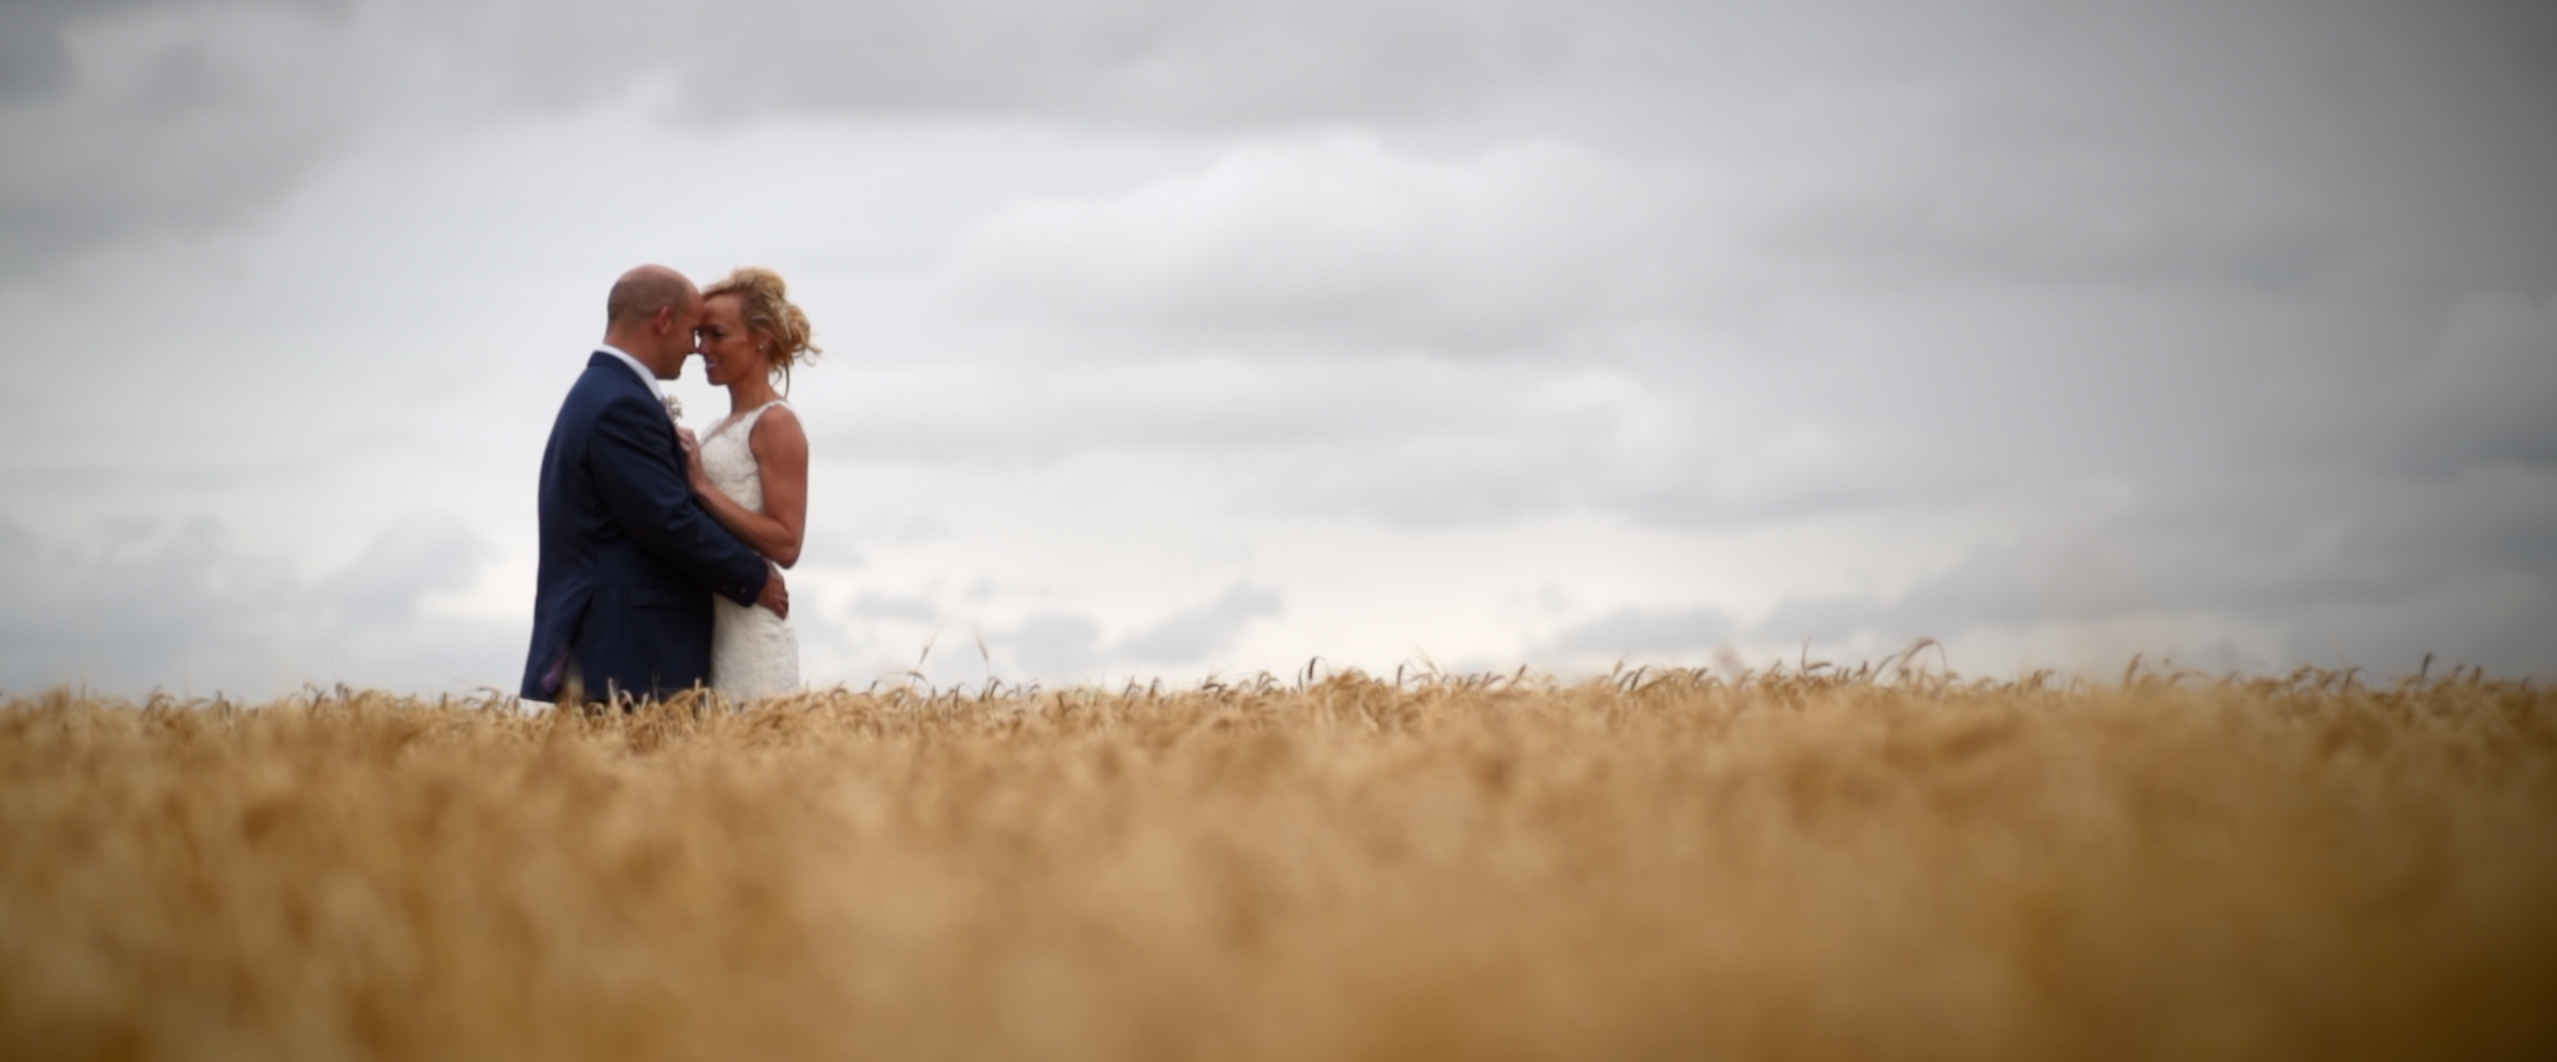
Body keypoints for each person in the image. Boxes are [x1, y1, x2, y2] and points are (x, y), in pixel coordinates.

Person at [519, 264, 788, 706]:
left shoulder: (602, 392)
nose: (696, 348)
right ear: (663, 320)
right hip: (630, 650)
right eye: (692, 331)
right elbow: (665, 520)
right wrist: (752, 576)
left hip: (621, 648)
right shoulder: (619, 403)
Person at [678, 267, 816, 700]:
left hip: (751, 631)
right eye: (700, 335)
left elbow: (786, 543)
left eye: (717, 335)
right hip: (709, 623)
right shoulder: (719, 426)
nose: (702, 349)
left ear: (762, 339)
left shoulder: (776, 423)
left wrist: (702, 487)